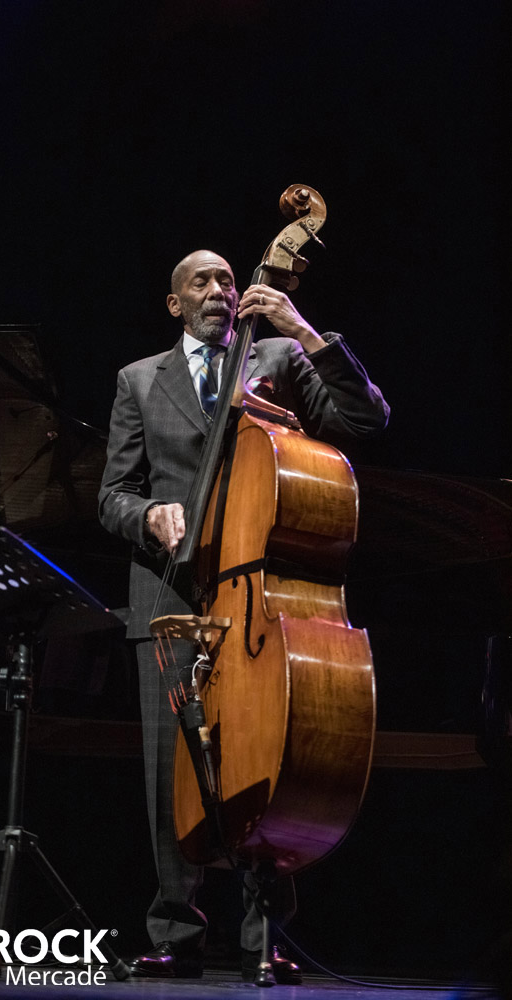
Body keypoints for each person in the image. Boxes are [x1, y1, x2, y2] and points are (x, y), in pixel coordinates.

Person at [98, 249, 389, 980]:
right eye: (199, 281)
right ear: (174, 303)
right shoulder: (138, 379)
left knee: (266, 761)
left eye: (227, 279)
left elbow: (365, 418)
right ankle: (176, 931)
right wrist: (148, 515)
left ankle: (267, 937)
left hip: (258, 594)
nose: (217, 290)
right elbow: (112, 495)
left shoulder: (278, 357)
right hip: (169, 594)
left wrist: (304, 329)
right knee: (170, 772)